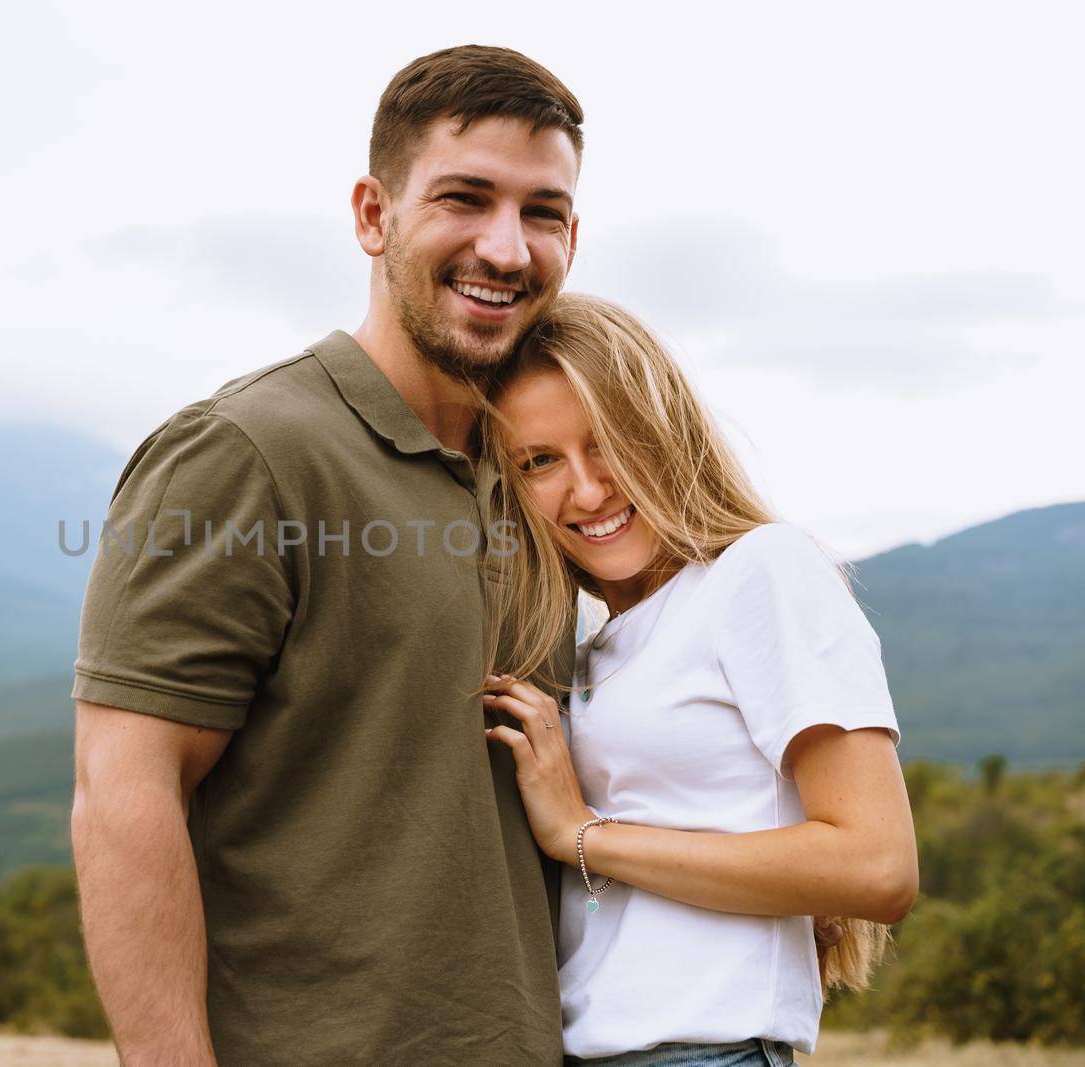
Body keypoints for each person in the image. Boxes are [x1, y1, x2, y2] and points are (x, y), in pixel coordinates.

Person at [71, 46, 584, 1065]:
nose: (506, 246)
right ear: (371, 214)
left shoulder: (539, 481)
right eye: (464, 197)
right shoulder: (246, 452)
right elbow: (126, 797)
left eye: (541, 212)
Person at [479, 293, 920, 1066]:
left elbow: (877, 866)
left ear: (664, 433)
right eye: (540, 461)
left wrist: (584, 835)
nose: (586, 491)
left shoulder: (760, 570)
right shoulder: (587, 646)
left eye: (608, 442)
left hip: (703, 1050)